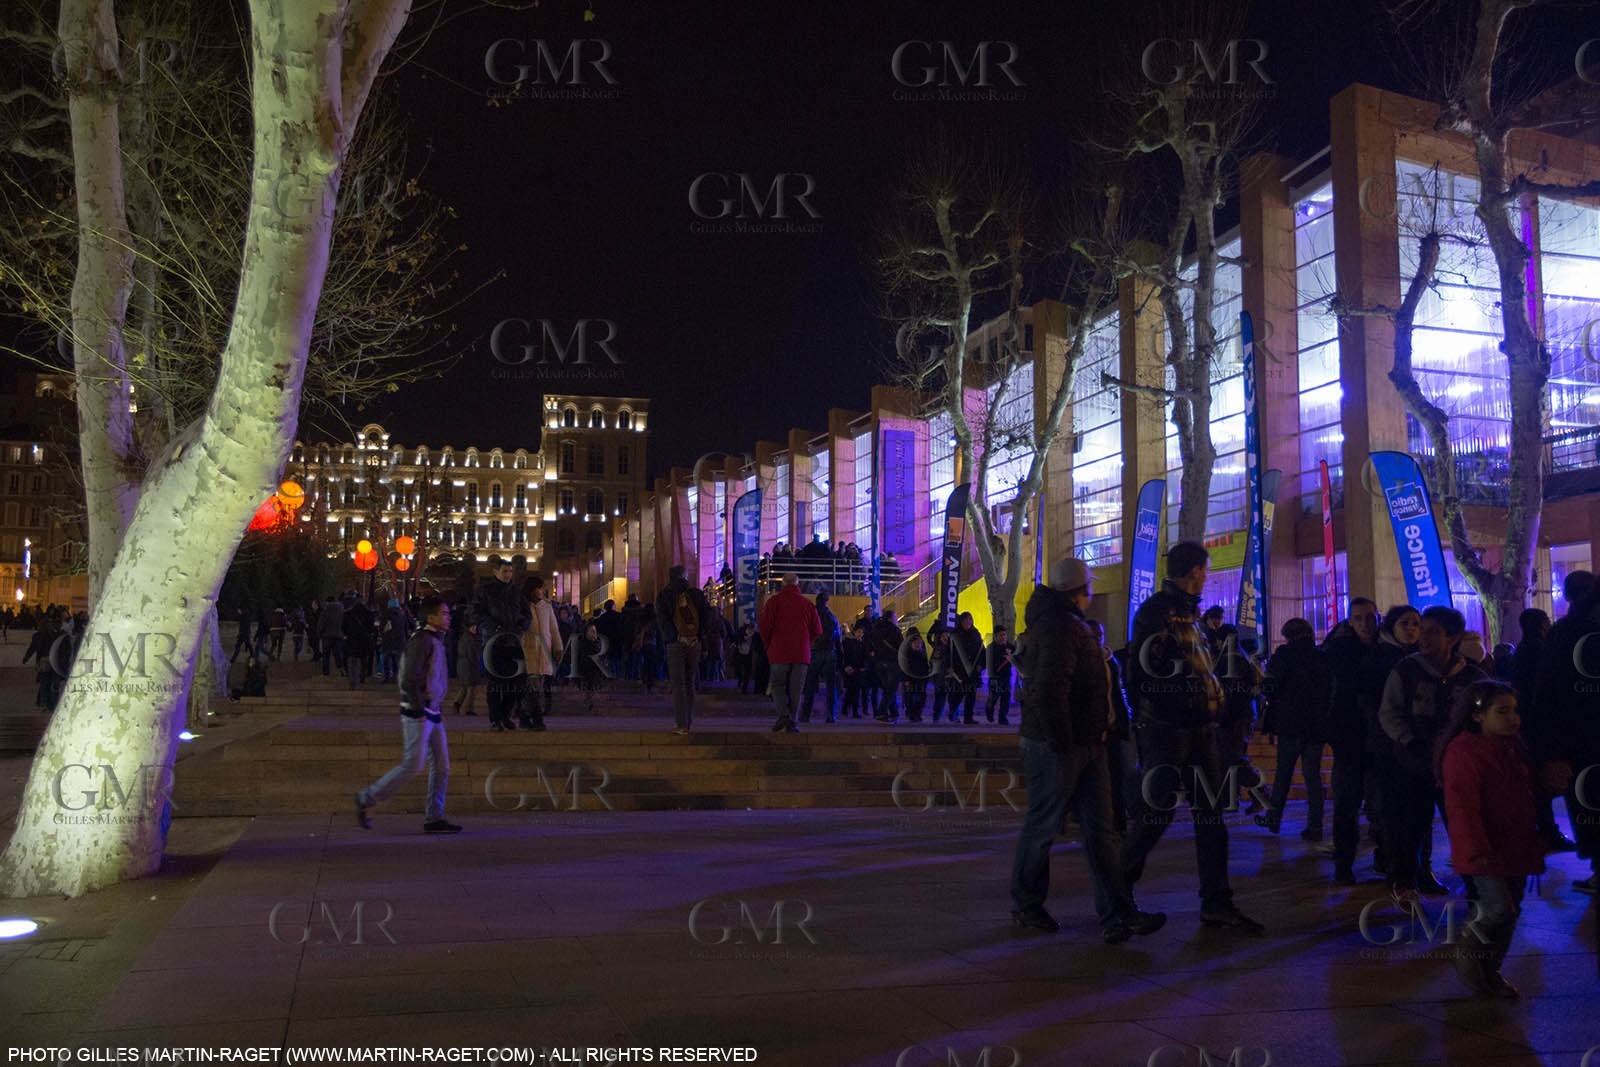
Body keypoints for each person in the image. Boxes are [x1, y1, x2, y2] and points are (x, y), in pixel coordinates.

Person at [1009, 556, 1166, 943]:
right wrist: (1063, 741)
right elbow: (1051, 689)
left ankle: (1118, 913)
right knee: (1046, 825)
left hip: (1086, 743)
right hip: (1062, 745)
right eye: (1089, 587)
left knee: (1102, 830)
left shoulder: (1067, 624)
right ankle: (1028, 904)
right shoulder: (1061, 626)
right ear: (1080, 591)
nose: (1092, 593)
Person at [1122, 541, 1263, 934]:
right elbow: (1145, 675)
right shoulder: (1157, 614)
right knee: (1155, 815)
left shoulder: (1189, 613)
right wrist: (1181, 705)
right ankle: (1117, 896)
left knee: (1211, 816)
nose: (1207, 577)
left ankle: (1217, 903)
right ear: (1195, 571)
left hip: (1202, 732)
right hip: (1170, 733)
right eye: (1206, 570)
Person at [1438, 680, 1543, 998]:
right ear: (1478, 715)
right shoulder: (1465, 753)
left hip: (1514, 846)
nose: (1513, 718)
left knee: (1512, 910)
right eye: (1503, 711)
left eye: (1514, 710)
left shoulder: (1513, 749)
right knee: (1498, 908)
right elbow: (1462, 806)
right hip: (1484, 850)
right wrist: (1475, 848)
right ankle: (1469, 958)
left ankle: (1491, 970)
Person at [1379, 604, 1486, 905]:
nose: (1422, 637)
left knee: (1463, 828)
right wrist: (1409, 740)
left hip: (1457, 769)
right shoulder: (1407, 670)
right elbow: (1389, 712)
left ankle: (1476, 889)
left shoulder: (1471, 677)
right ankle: (1404, 883)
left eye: (1431, 632)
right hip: (1413, 765)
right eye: (1421, 631)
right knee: (1410, 827)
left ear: (1452, 638)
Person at [355, 597, 460, 834]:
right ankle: (367, 797)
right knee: (413, 765)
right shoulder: (422, 641)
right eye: (443, 613)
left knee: (442, 767)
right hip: (419, 712)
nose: (448, 616)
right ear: (430, 617)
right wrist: (420, 707)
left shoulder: (436, 640)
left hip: (433, 711)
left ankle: (434, 817)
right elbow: (409, 678)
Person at [1533, 570, 1600, 894]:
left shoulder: (1566, 633)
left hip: (1579, 741)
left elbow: (1547, 693)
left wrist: (1549, 749)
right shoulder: (1568, 635)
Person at [1256, 618, 1334, 841]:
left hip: (1290, 724)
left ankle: (1273, 819)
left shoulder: (1283, 656)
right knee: (1313, 776)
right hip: (1316, 725)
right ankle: (1315, 825)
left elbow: (1269, 687)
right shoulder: (1321, 657)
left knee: (1283, 774)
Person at [1360, 605, 1421, 877]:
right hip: (1386, 743)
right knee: (1391, 806)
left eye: (1416, 624)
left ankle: (1416, 865)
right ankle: (1391, 861)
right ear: (1392, 626)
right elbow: (1371, 701)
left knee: (1416, 810)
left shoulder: (1420, 658)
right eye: (1405, 623)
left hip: (1415, 744)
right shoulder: (1380, 657)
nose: (1411, 629)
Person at [1324, 598, 1380, 884]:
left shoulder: (1385, 649)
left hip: (1380, 739)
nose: (1366, 624)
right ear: (1349, 621)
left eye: (1370, 617)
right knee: (1347, 804)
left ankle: (1384, 858)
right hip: (1349, 738)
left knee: (1381, 802)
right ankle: (1343, 862)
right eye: (1358, 619)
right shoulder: (1337, 652)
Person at [1508, 607, 1573, 852]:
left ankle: (1545, 830)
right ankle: (1548, 832)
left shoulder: (1522, 650)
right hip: (1540, 726)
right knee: (1546, 781)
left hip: (1528, 724)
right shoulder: (1540, 651)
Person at [472, 557, 531, 732]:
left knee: (518, 681)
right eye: (505, 571)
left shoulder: (516, 592)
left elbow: (527, 614)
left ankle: (506, 715)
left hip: (513, 641)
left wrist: (521, 626)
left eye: (510, 571)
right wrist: (494, 626)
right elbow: (476, 612)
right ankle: (495, 719)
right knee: (496, 682)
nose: (508, 574)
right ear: (496, 572)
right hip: (494, 641)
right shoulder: (485, 590)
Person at [759, 573, 821, 734]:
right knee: (796, 689)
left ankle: (784, 715)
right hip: (801, 653)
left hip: (778, 652)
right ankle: (792, 722)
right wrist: (807, 643)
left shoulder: (773, 603)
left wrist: (769, 646)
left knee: (778, 686)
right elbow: (817, 630)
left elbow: (764, 628)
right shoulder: (807, 604)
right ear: (797, 584)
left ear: (782, 584)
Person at [656, 564, 711, 735]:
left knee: (678, 684)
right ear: (685, 576)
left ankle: (682, 724)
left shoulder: (664, 595)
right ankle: (688, 720)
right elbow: (708, 616)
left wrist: (674, 637)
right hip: (694, 643)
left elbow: (662, 620)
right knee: (689, 681)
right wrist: (698, 636)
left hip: (675, 643)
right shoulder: (696, 593)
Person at [519, 575, 562, 731]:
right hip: (528, 651)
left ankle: (524, 716)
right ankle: (536, 718)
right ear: (532, 590)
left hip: (544, 651)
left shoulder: (547, 607)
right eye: (539, 588)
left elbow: (554, 629)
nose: (542, 591)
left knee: (537, 687)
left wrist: (558, 648)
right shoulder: (523, 606)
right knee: (533, 687)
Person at [800, 592, 841, 723]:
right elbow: (837, 637)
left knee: (810, 685)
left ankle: (805, 714)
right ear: (827, 601)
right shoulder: (831, 617)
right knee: (830, 686)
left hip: (814, 651)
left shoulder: (811, 616)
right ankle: (831, 715)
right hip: (829, 652)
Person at [950, 612, 985, 725]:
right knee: (959, 694)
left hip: (973, 669)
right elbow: (951, 652)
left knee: (971, 694)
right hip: (960, 669)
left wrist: (981, 664)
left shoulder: (976, 634)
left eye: (970, 619)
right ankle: (953, 712)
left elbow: (981, 650)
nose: (968, 622)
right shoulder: (955, 634)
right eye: (965, 620)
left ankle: (968, 717)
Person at [869, 610, 903, 723]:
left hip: (879, 663)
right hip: (892, 663)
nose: (897, 619)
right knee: (891, 690)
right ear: (891, 618)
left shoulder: (875, 629)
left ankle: (894, 713)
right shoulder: (895, 630)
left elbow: (870, 644)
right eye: (895, 617)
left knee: (888, 689)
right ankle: (881, 713)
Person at [342, 597, 375, 689]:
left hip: (352, 640)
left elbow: (343, 627)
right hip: (364, 640)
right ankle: (363, 677)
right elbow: (371, 628)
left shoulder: (348, 614)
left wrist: (347, 634)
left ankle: (353, 682)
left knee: (353, 662)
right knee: (364, 659)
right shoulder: (369, 614)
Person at [986, 627, 1016, 725]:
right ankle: (989, 712)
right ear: (995, 636)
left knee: (1006, 698)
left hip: (1006, 676)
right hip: (995, 677)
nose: (1004, 637)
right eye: (1001, 635)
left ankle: (1002, 718)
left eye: (1005, 635)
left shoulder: (1010, 647)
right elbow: (988, 662)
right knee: (993, 697)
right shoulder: (991, 648)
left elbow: (1016, 660)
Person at [841, 620, 870, 718]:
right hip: (851, 669)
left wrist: (864, 666)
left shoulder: (863, 644)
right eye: (858, 632)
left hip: (859, 670)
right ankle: (848, 709)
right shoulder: (849, 642)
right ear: (855, 632)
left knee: (856, 691)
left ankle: (852, 710)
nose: (860, 634)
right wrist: (847, 666)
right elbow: (846, 655)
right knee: (852, 691)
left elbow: (865, 657)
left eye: (862, 632)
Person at [900, 627, 930, 722]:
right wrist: (906, 679)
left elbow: (925, 666)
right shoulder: (907, 652)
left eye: (919, 643)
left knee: (921, 697)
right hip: (911, 679)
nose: (918, 644)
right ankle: (912, 713)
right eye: (915, 643)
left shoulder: (922, 653)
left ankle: (917, 713)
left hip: (920, 678)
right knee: (911, 697)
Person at [318, 595, 345, 676]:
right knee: (338, 655)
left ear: (327, 602)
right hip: (338, 636)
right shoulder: (341, 611)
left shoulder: (325, 611)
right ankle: (341, 669)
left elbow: (321, 624)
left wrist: (319, 634)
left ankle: (326, 673)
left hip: (327, 636)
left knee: (326, 656)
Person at [733, 622, 755, 694]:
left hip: (749, 655)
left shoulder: (755, 635)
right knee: (737, 670)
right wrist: (744, 638)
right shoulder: (741, 632)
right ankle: (741, 679)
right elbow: (736, 639)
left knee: (747, 672)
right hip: (740, 653)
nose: (751, 631)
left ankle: (744, 689)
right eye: (750, 629)